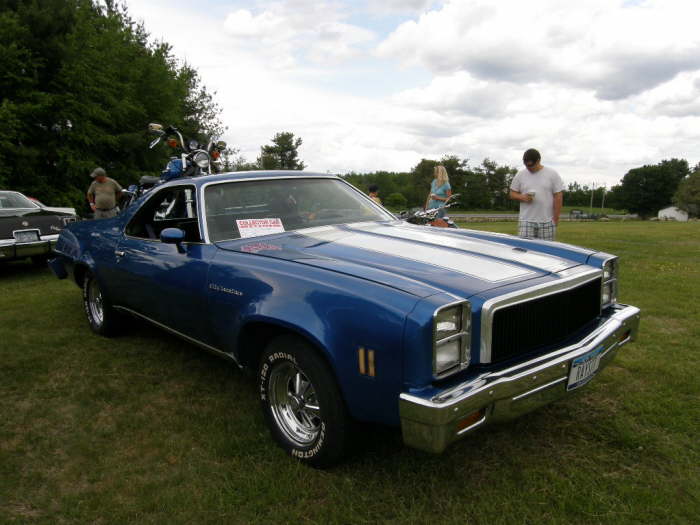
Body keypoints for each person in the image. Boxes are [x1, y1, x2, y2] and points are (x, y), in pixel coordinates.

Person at [509, 148, 564, 240]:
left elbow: (558, 196)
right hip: (525, 221)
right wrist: (522, 197)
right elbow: (512, 193)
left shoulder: (552, 174)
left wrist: (556, 219)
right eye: (526, 166)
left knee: (546, 251)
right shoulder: (520, 175)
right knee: (525, 251)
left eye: (531, 166)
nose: (529, 168)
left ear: (538, 160)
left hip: (547, 222)